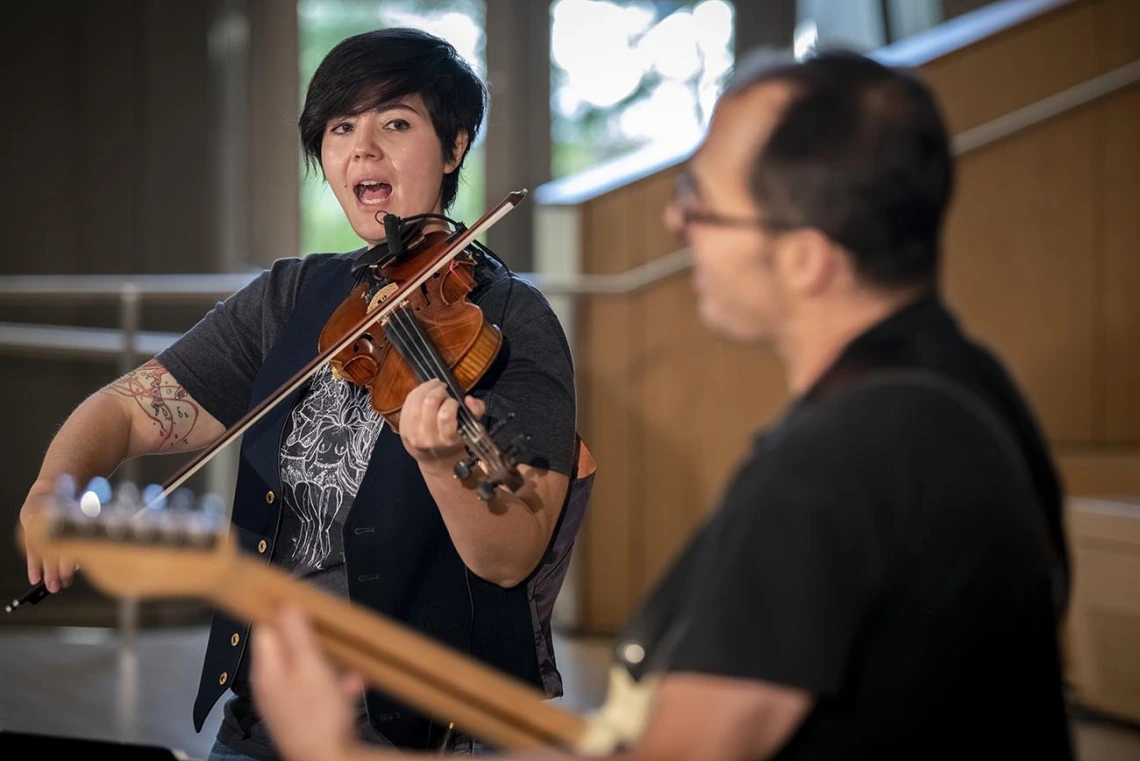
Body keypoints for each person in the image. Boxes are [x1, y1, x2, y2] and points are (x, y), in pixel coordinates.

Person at [244, 47, 1075, 761]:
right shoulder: (963, 387)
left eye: (704, 202)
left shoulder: (843, 460)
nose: (678, 223)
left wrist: (333, 750)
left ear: (809, 260)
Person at [18, 27, 594, 761]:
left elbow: (511, 557)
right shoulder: (295, 295)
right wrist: (49, 487)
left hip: (423, 735)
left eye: (395, 122)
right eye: (340, 127)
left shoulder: (510, 321)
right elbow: (128, 409)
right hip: (265, 716)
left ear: (454, 147)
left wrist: (444, 459)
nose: (362, 148)